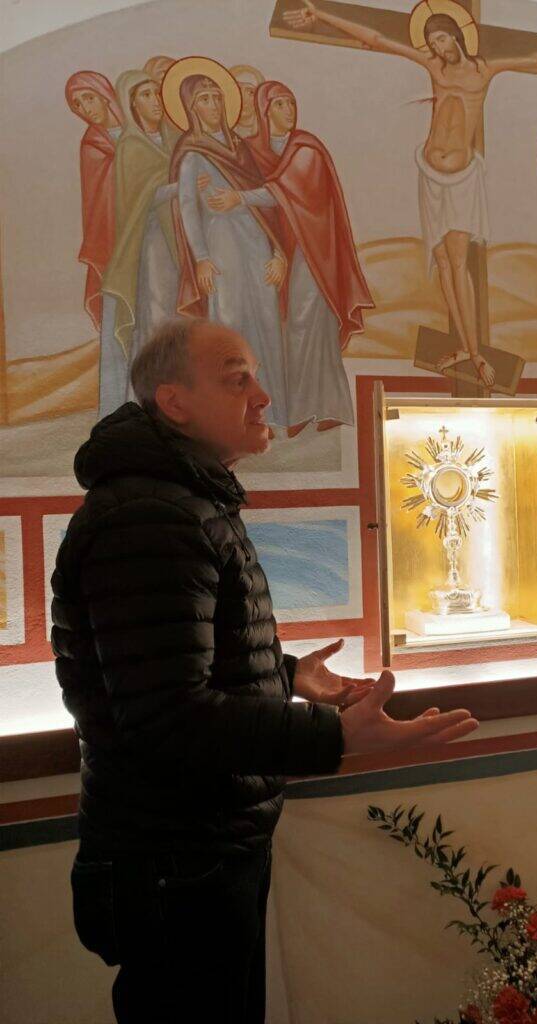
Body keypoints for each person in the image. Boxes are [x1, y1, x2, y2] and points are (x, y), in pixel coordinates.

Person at [52, 316, 478, 1024]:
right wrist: (340, 737)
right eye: (237, 379)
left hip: (195, 847)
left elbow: (167, 662)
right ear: (174, 401)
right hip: (174, 856)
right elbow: (166, 716)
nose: (263, 396)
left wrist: (283, 675)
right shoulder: (150, 515)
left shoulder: (178, 499)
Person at [283, 0, 537, 388]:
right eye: (433, 42)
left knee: (458, 264)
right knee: (442, 263)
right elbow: (377, 39)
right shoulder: (434, 67)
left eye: (442, 38)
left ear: (456, 36)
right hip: (429, 174)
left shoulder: (483, 70)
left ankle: (475, 353)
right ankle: (462, 344)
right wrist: (321, 15)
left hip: (461, 179)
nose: (439, 48)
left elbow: (535, 59)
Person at [209, 79, 373, 435]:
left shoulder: (306, 148)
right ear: (265, 111)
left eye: (291, 103)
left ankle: (323, 407)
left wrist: (240, 198)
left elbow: (283, 191)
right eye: (280, 104)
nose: (288, 111)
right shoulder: (257, 150)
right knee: (290, 328)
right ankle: (302, 408)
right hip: (281, 249)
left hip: (315, 251)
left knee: (309, 325)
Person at [168, 67, 291, 428]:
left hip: (257, 243)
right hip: (221, 246)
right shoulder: (192, 154)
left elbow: (274, 199)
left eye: (216, 98)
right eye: (204, 100)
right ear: (192, 108)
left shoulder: (243, 148)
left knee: (268, 322)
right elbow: (188, 207)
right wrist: (202, 258)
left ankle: (275, 414)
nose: (213, 105)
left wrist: (279, 252)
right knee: (230, 325)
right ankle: (232, 418)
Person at [99, 69, 181, 417]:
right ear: (132, 104)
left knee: (176, 322)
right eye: (146, 95)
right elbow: (139, 201)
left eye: (157, 93)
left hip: (177, 245)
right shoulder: (131, 146)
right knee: (155, 320)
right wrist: (181, 187)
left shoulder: (174, 141)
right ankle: (146, 403)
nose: (155, 101)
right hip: (150, 245)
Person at [65, 70, 124, 335]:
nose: (85, 109)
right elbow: (98, 202)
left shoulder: (139, 131)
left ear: (104, 95)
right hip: (113, 239)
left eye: (89, 98)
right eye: (78, 104)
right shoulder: (92, 145)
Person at [230, 63, 265, 139]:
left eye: (251, 92)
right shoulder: (221, 131)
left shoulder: (267, 133)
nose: (243, 98)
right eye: (238, 89)